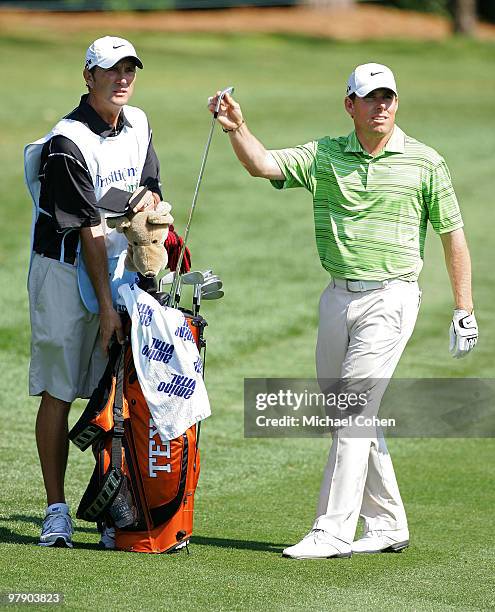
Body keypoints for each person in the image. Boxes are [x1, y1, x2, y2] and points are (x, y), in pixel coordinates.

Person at [208, 63, 479, 559]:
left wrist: (464, 307)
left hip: (392, 297)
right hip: (337, 297)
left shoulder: (424, 162)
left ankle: (333, 530)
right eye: (370, 98)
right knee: (350, 413)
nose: (381, 106)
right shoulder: (325, 155)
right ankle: (388, 523)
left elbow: (453, 235)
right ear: (349, 104)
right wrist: (237, 128)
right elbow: (263, 164)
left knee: (353, 408)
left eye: (388, 98)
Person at [24, 36, 167, 548]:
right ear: (89, 77)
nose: (122, 79)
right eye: (111, 70)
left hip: (116, 264)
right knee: (60, 391)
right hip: (63, 272)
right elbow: (87, 231)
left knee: (117, 391)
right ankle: (56, 509)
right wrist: (108, 309)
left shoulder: (140, 122)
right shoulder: (67, 142)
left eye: (130, 69)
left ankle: (113, 507)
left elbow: (150, 185)